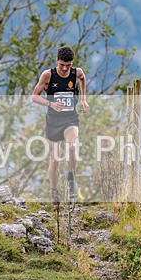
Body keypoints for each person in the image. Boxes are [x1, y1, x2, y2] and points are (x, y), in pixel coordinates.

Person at [31, 45, 89, 202]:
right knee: (55, 159)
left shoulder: (77, 73)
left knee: (72, 147)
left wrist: (83, 99)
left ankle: (71, 180)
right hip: (53, 121)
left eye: (68, 65)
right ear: (57, 60)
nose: (64, 69)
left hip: (70, 118)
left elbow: (83, 79)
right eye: (62, 65)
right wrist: (51, 104)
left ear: (72, 63)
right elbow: (34, 96)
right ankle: (54, 192)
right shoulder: (48, 75)